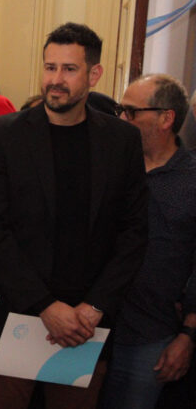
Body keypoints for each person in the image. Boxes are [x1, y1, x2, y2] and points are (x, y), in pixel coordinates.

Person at [0, 22, 148, 409]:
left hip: (87, 328)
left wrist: (94, 307)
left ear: (94, 75)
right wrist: (45, 306)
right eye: (50, 67)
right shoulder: (3, 135)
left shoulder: (122, 141)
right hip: (17, 318)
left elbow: (135, 232)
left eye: (69, 69)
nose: (56, 79)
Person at [102, 74, 196, 409]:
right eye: (120, 110)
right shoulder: (109, 167)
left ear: (166, 118)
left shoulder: (191, 180)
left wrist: (188, 336)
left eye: (131, 112)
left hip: (151, 336)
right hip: (89, 327)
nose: (121, 119)